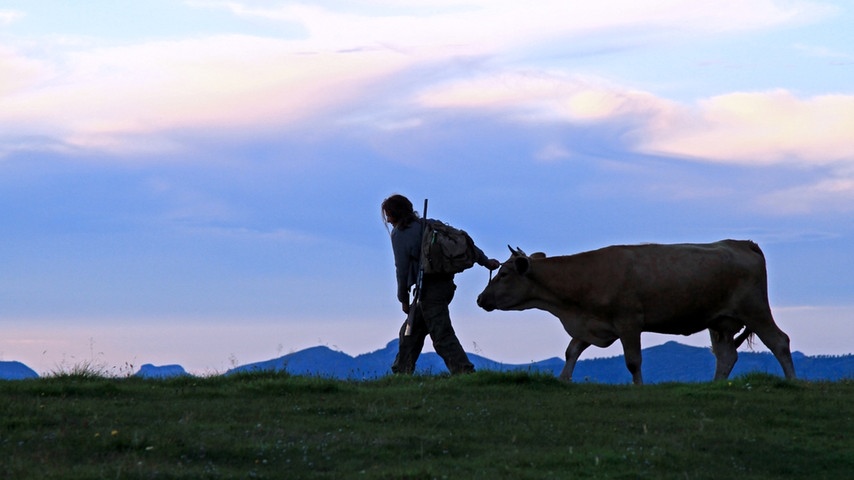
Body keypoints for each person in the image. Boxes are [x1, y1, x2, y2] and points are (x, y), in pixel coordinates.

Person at [381, 194, 500, 375]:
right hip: (444, 286)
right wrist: (486, 261)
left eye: (389, 214)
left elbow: (402, 269)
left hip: (429, 290)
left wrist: (403, 299)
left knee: (441, 335)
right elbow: (465, 244)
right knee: (409, 333)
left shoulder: (400, 234)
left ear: (396, 213)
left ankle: (465, 372)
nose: (388, 220)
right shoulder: (429, 224)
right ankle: (401, 373)